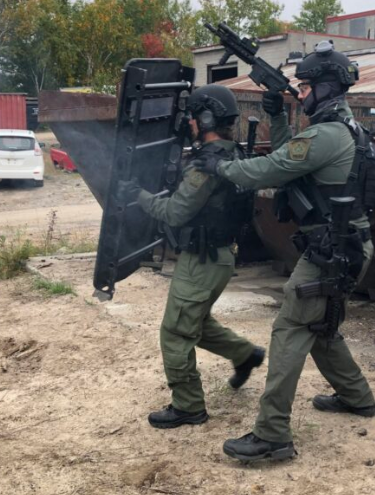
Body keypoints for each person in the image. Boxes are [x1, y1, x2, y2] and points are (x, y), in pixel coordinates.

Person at [196, 41, 375, 461]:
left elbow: (270, 168)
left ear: (327, 88)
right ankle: (357, 397)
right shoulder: (345, 130)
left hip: (332, 251)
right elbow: (290, 157)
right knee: (318, 328)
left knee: (290, 330)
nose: (302, 93)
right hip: (345, 246)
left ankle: (272, 434)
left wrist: (221, 167)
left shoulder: (328, 134)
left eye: (307, 85)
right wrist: (278, 118)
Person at [116, 84, 265, 429]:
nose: (190, 124)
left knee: (175, 332)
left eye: (193, 118)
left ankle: (188, 406)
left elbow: (175, 212)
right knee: (196, 322)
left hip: (203, 259)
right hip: (219, 256)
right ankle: (246, 355)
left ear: (206, 118)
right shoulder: (233, 154)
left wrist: (138, 195)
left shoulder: (207, 166)